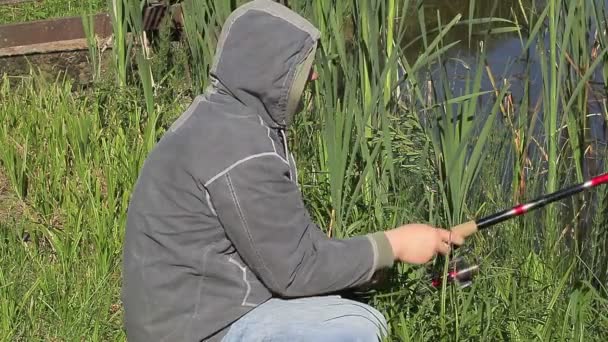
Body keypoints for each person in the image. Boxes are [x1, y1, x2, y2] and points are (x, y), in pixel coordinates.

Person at [121, 1, 466, 341]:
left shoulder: (224, 119)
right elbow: (296, 271)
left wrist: (368, 268)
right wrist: (394, 244)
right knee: (358, 325)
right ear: (269, 70)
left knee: (346, 305)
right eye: (302, 64)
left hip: (186, 314)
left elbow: (293, 245)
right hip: (197, 328)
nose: (314, 74)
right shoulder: (242, 149)